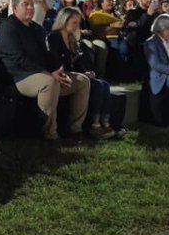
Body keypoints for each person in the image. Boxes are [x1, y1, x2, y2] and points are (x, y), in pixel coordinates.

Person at [0, 0, 92, 142]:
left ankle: (75, 128)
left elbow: (48, 54)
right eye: (25, 4)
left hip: (42, 73)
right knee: (49, 83)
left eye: (31, 4)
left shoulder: (37, 28)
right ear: (15, 8)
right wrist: (47, 73)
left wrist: (59, 69)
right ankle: (49, 134)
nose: (30, 8)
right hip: (16, 77)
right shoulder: (8, 28)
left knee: (82, 81)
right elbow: (18, 59)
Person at [50, 7, 119, 138]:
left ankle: (105, 122)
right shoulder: (54, 38)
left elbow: (77, 63)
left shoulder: (72, 39)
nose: (77, 26)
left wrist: (86, 72)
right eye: (74, 22)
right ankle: (94, 125)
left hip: (74, 74)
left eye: (78, 23)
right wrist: (80, 73)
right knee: (97, 86)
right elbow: (57, 63)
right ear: (64, 21)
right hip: (62, 76)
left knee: (104, 84)